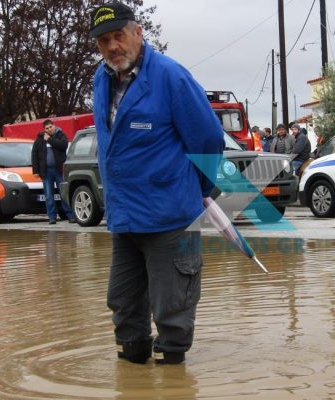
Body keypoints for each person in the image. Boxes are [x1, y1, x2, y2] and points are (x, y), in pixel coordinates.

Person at [89, 2, 224, 365]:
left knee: (172, 312)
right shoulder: (100, 80)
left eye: (119, 36)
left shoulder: (170, 77)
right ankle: (133, 373)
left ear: (138, 33)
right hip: (124, 218)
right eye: (104, 40)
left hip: (169, 219)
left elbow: (209, 140)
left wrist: (195, 190)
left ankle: (172, 376)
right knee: (123, 306)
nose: (113, 46)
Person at [31, 119, 74, 224]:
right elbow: (34, 154)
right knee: (49, 195)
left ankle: (70, 215)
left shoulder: (60, 135)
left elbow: (63, 145)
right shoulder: (40, 139)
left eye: (50, 127)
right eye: (47, 128)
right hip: (46, 171)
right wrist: (36, 170)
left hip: (59, 170)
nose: (49, 129)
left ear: (54, 126)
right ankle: (52, 217)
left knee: (63, 193)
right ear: (44, 129)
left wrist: (50, 140)